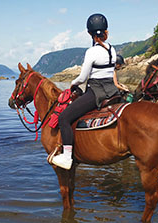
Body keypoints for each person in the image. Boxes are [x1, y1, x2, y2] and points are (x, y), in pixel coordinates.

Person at [52, 13, 129, 170]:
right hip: (112, 91)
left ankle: (67, 157)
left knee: (64, 118)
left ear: (89, 33)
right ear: (106, 31)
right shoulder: (113, 50)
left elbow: (83, 77)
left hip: (96, 92)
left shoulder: (92, 52)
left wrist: (73, 84)